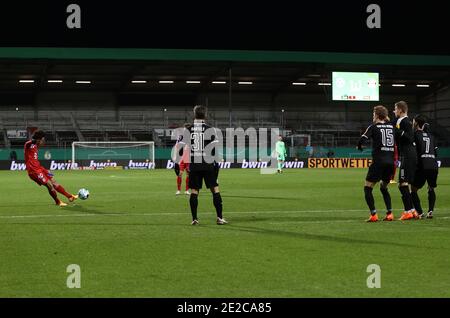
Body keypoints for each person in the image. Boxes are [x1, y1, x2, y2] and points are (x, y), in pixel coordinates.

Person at [177, 105, 227, 225]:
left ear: (194, 114)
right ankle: (219, 218)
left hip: (195, 165)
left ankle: (194, 219)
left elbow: (180, 148)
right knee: (215, 189)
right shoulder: (210, 129)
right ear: (205, 115)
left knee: (194, 191)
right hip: (208, 164)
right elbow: (214, 150)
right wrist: (216, 166)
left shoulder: (188, 130)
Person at [357, 106, 395, 222]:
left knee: (367, 188)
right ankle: (389, 213)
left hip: (379, 162)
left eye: (373, 114)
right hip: (390, 163)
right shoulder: (392, 127)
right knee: (384, 187)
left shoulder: (373, 127)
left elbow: (362, 139)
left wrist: (359, 146)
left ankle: (373, 214)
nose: (373, 116)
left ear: (377, 115)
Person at [24, 130, 78, 206]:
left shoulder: (37, 145)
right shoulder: (28, 145)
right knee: (49, 185)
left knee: (54, 182)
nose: (44, 140)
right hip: (34, 171)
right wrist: (33, 141)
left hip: (39, 168)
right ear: (39, 139)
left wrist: (37, 141)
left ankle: (69, 196)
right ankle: (58, 202)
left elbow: (41, 143)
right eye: (43, 139)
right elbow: (27, 144)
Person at [393, 101, 418, 220]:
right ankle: (412, 210)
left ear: (401, 110)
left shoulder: (405, 122)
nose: (394, 111)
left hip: (407, 155)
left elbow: (409, 138)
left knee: (402, 184)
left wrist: (398, 131)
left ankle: (408, 211)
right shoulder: (400, 121)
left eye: (396, 109)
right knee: (405, 184)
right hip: (408, 154)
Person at [410, 115, 438, 219]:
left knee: (413, 190)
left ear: (416, 123)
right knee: (431, 188)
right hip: (433, 164)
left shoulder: (415, 134)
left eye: (413, 121)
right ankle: (430, 211)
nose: (412, 123)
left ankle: (420, 213)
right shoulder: (431, 136)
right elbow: (435, 152)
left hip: (422, 164)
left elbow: (413, 151)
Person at [173, 130, 190, 195]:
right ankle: (178, 190)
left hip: (188, 159)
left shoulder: (191, 138)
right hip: (182, 159)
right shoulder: (180, 138)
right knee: (180, 174)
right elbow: (176, 148)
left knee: (188, 174)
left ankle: (187, 190)